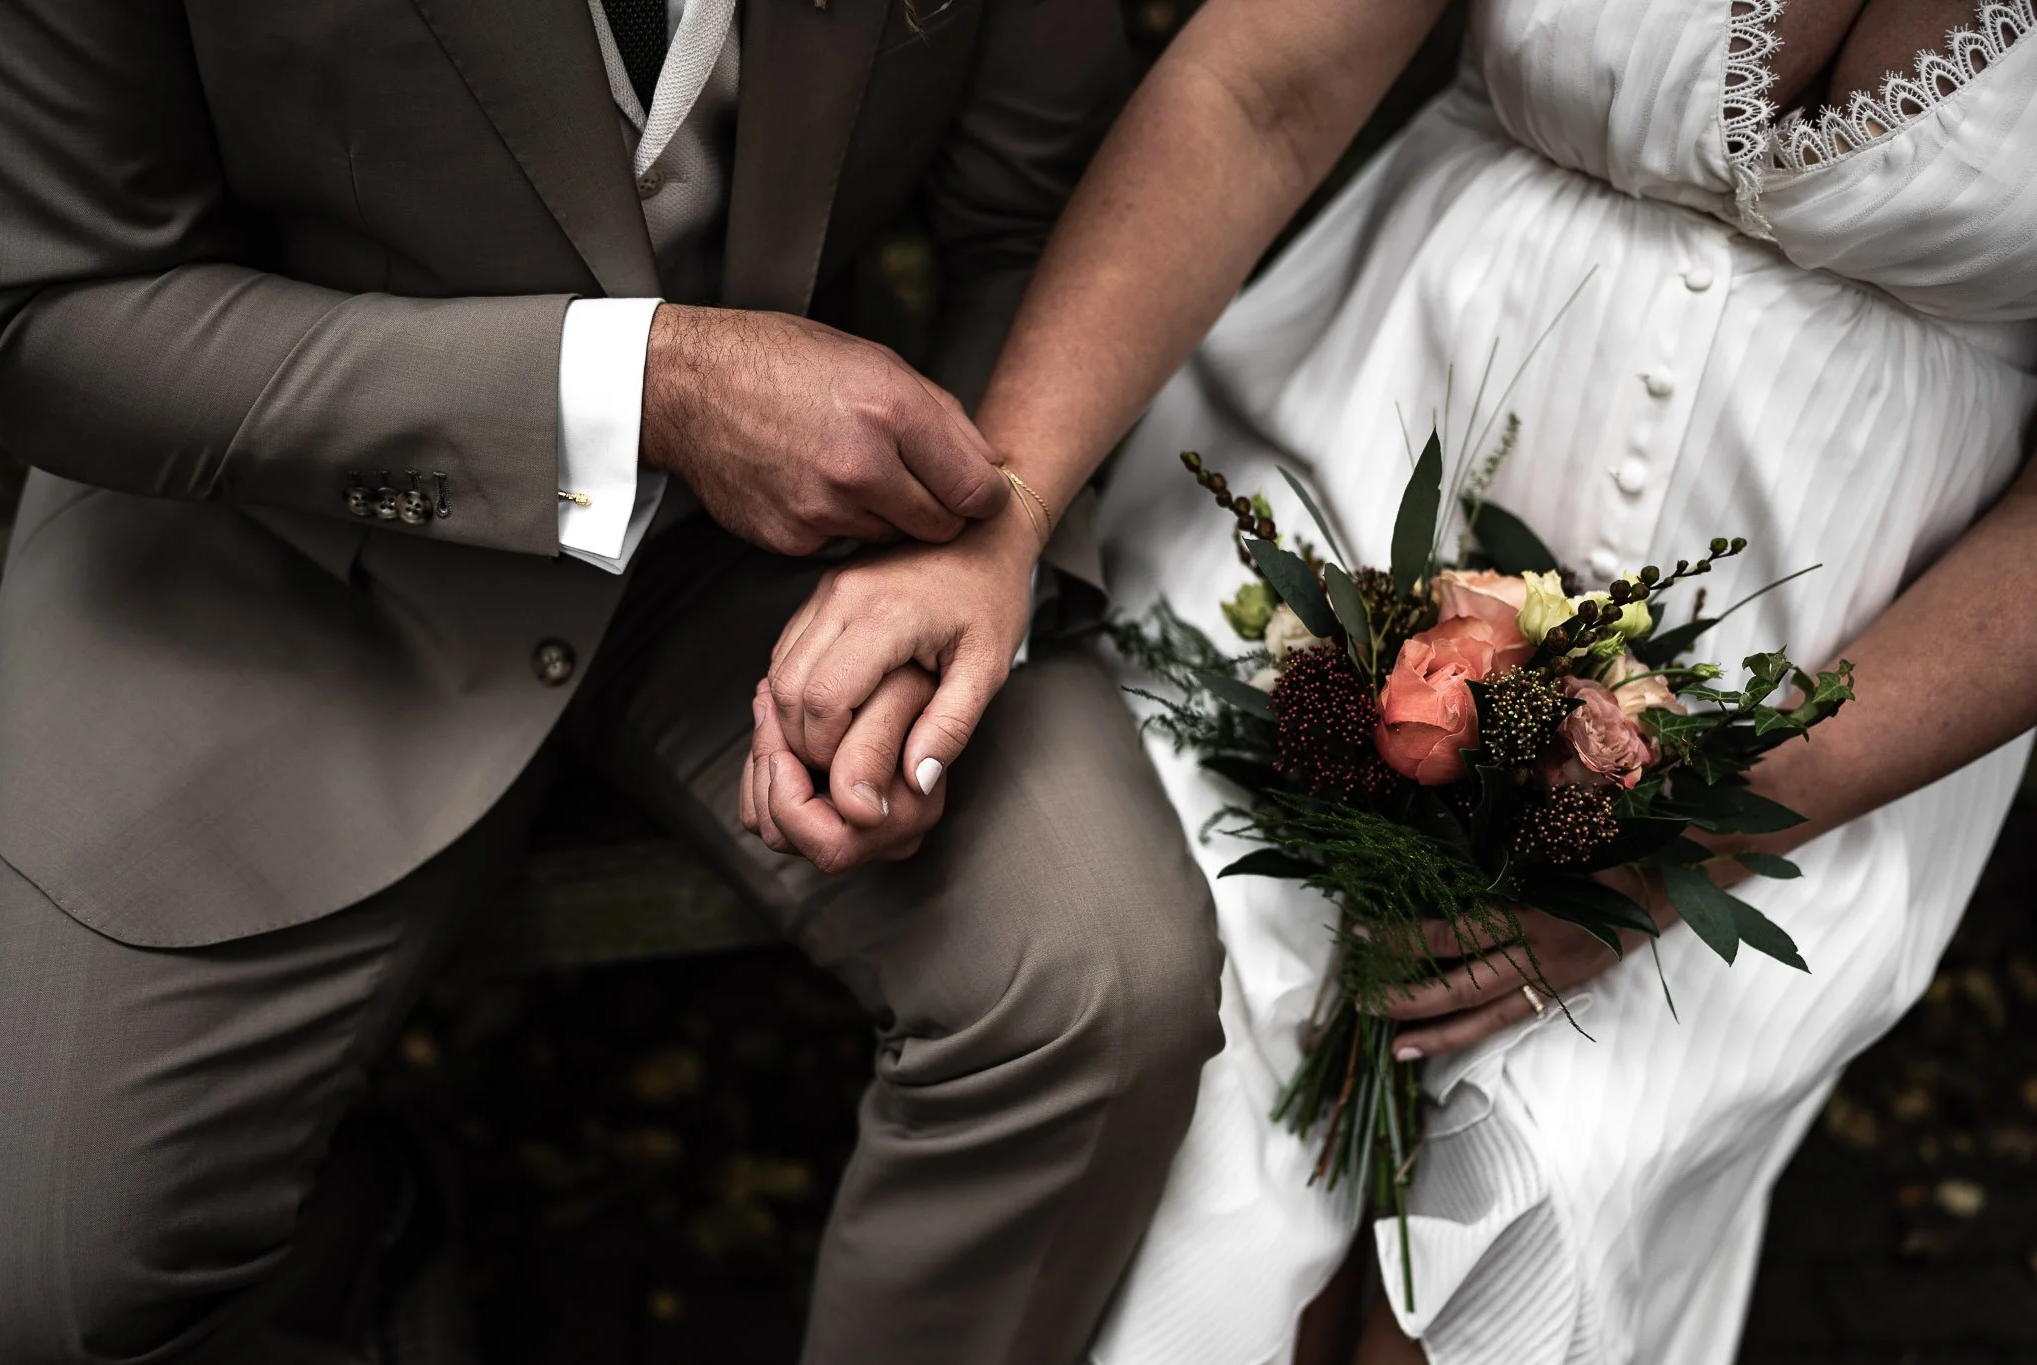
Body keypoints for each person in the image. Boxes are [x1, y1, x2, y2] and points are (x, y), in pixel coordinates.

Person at [744, 0, 2037, 1360]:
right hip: (1328, 534)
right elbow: (1260, 92)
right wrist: (1001, 516)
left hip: (1840, 707)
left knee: (1528, 1234)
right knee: (1199, 1186)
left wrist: (1691, 831)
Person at [0, 2, 1228, 1362]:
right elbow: (54, 313)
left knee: (1097, 988)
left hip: (797, 542)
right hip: (278, 541)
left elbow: (1040, 216)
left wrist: (977, 539)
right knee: (50, 1279)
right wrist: (649, 387)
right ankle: (371, 1263)